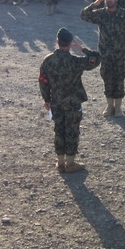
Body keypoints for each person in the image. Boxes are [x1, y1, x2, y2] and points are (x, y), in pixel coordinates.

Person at [38, 28, 101, 173]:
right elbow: (97, 59)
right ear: (70, 43)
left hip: (56, 101)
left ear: (57, 41)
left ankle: (60, 162)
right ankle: (70, 163)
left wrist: (47, 99)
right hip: (72, 102)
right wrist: (82, 49)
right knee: (72, 131)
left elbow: (43, 81)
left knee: (59, 129)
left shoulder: (48, 61)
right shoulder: (75, 61)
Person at [80, 0, 125, 117]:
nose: (109, 0)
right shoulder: (101, 14)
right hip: (105, 54)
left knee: (119, 79)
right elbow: (83, 15)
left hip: (119, 53)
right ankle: (110, 105)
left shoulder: (124, 15)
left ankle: (118, 108)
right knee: (107, 79)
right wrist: (95, 4)